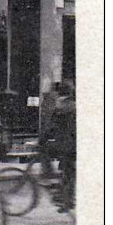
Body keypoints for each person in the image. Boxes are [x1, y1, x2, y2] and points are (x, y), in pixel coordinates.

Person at [43, 80, 76, 212]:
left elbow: (51, 127)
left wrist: (42, 139)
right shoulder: (75, 105)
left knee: (66, 171)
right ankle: (68, 198)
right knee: (69, 172)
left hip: (64, 145)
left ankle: (65, 199)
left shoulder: (60, 106)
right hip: (73, 145)